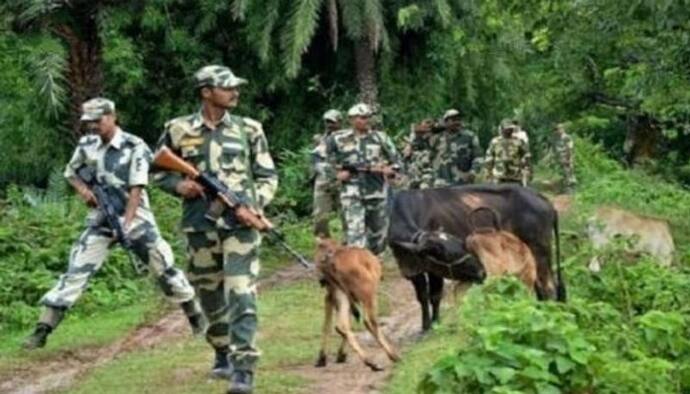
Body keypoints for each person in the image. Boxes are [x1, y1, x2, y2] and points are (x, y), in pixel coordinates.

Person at [22, 98, 200, 350]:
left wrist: (125, 227)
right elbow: (71, 173)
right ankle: (41, 331)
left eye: (98, 120)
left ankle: (196, 318)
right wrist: (84, 191)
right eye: (89, 122)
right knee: (75, 272)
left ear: (112, 116)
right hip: (100, 220)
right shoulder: (87, 144)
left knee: (165, 270)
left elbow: (136, 191)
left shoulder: (134, 146)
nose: (93, 126)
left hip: (135, 219)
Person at [154, 65, 278, 394]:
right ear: (206, 92)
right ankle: (222, 350)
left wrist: (255, 206)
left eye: (236, 87)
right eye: (227, 87)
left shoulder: (249, 129)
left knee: (241, 292)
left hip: (240, 227)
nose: (235, 92)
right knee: (209, 295)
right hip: (200, 228)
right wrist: (179, 186)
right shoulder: (178, 129)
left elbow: (267, 175)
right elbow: (156, 169)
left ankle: (244, 368)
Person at [326, 103, 401, 255]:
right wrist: (336, 174)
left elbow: (397, 161)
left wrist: (391, 170)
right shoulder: (337, 139)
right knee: (355, 233)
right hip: (351, 192)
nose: (367, 120)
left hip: (376, 191)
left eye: (368, 117)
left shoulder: (381, 138)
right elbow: (321, 161)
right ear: (352, 119)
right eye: (362, 117)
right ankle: (358, 270)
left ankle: (373, 263)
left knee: (378, 235)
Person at [311, 109, 343, 237]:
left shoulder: (347, 137)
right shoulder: (320, 139)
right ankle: (323, 242)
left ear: (340, 122)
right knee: (320, 215)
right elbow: (315, 159)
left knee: (347, 214)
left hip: (342, 178)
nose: (329, 124)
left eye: (332, 122)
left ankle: (349, 244)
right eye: (327, 122)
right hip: (323, 180)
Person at [433, 109, 483, 187]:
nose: (456, 122)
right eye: (453, 120)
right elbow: (429, 158)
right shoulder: (437, 139)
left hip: (462, 183)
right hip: (441, 184)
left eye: (458, 119)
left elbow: (478, 157)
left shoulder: (469, 137)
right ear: (445, 122)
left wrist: (473, 172)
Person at [484, 119, 532, 185]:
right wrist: (488, 174)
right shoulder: (495, 142)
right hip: (498, 177)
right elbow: (489, 158)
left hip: (515, 176)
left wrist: (527, 172)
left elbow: (526, 156)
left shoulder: (519, 141)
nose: (509, 130)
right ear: (502, 129)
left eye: (511, 128)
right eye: (507, 129)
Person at [402, 118, 436, 190]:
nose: (421, 135)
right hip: (413, 176)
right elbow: (406, 154)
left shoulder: (433, 141)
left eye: (423, 133)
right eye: (419, 133)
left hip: (426, 176)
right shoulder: (413, 142)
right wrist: (410, 143)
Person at [550, 123, 577, 192]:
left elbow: (570, 148)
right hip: (561, 157)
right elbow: (554, 149)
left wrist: (569, 158)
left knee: (569, 171)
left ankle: (571, 188)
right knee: (565, 172)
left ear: (563, 129)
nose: (558, 131)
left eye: (559, 129)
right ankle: (566, 187)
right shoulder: (556, 138)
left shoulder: (567, 137)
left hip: (567, 156)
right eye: (557, 129)